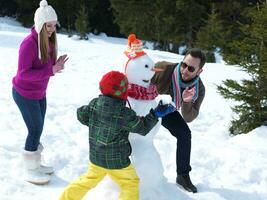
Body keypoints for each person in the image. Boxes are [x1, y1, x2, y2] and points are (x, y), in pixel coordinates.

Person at [59, 71, 175, 200]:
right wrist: (155, 114)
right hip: (118, 162)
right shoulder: (124, 114)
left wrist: (92, 120)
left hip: (96, 158)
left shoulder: (94, 104)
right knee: (130, 183)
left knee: (86, 181)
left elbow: (81, 115)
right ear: (124, 92)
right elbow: (142, 128)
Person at [12, 0, 68, 185]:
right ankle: (30, 169)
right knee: (34, 129)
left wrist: (55, 65)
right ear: (40, 24)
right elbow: (23, 74)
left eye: (54, 25)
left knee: (38, 128)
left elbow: (44, 68)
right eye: (48, 25)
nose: (52, 29)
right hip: (24, 94)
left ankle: (35, 163)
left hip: (39, 93)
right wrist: (51, 70)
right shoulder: (28, 44)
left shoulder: (48, 42)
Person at [151, 48, 206, 193]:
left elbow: (189, 117)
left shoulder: (199, 89)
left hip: (168, 111)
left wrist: (187, 101)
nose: (185, 70)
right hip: (147, 104)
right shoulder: (163, 68)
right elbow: (139, 79)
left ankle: (183, 175)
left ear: (199, 71)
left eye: (191, 68)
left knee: (184, 134)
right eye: (183, 64)